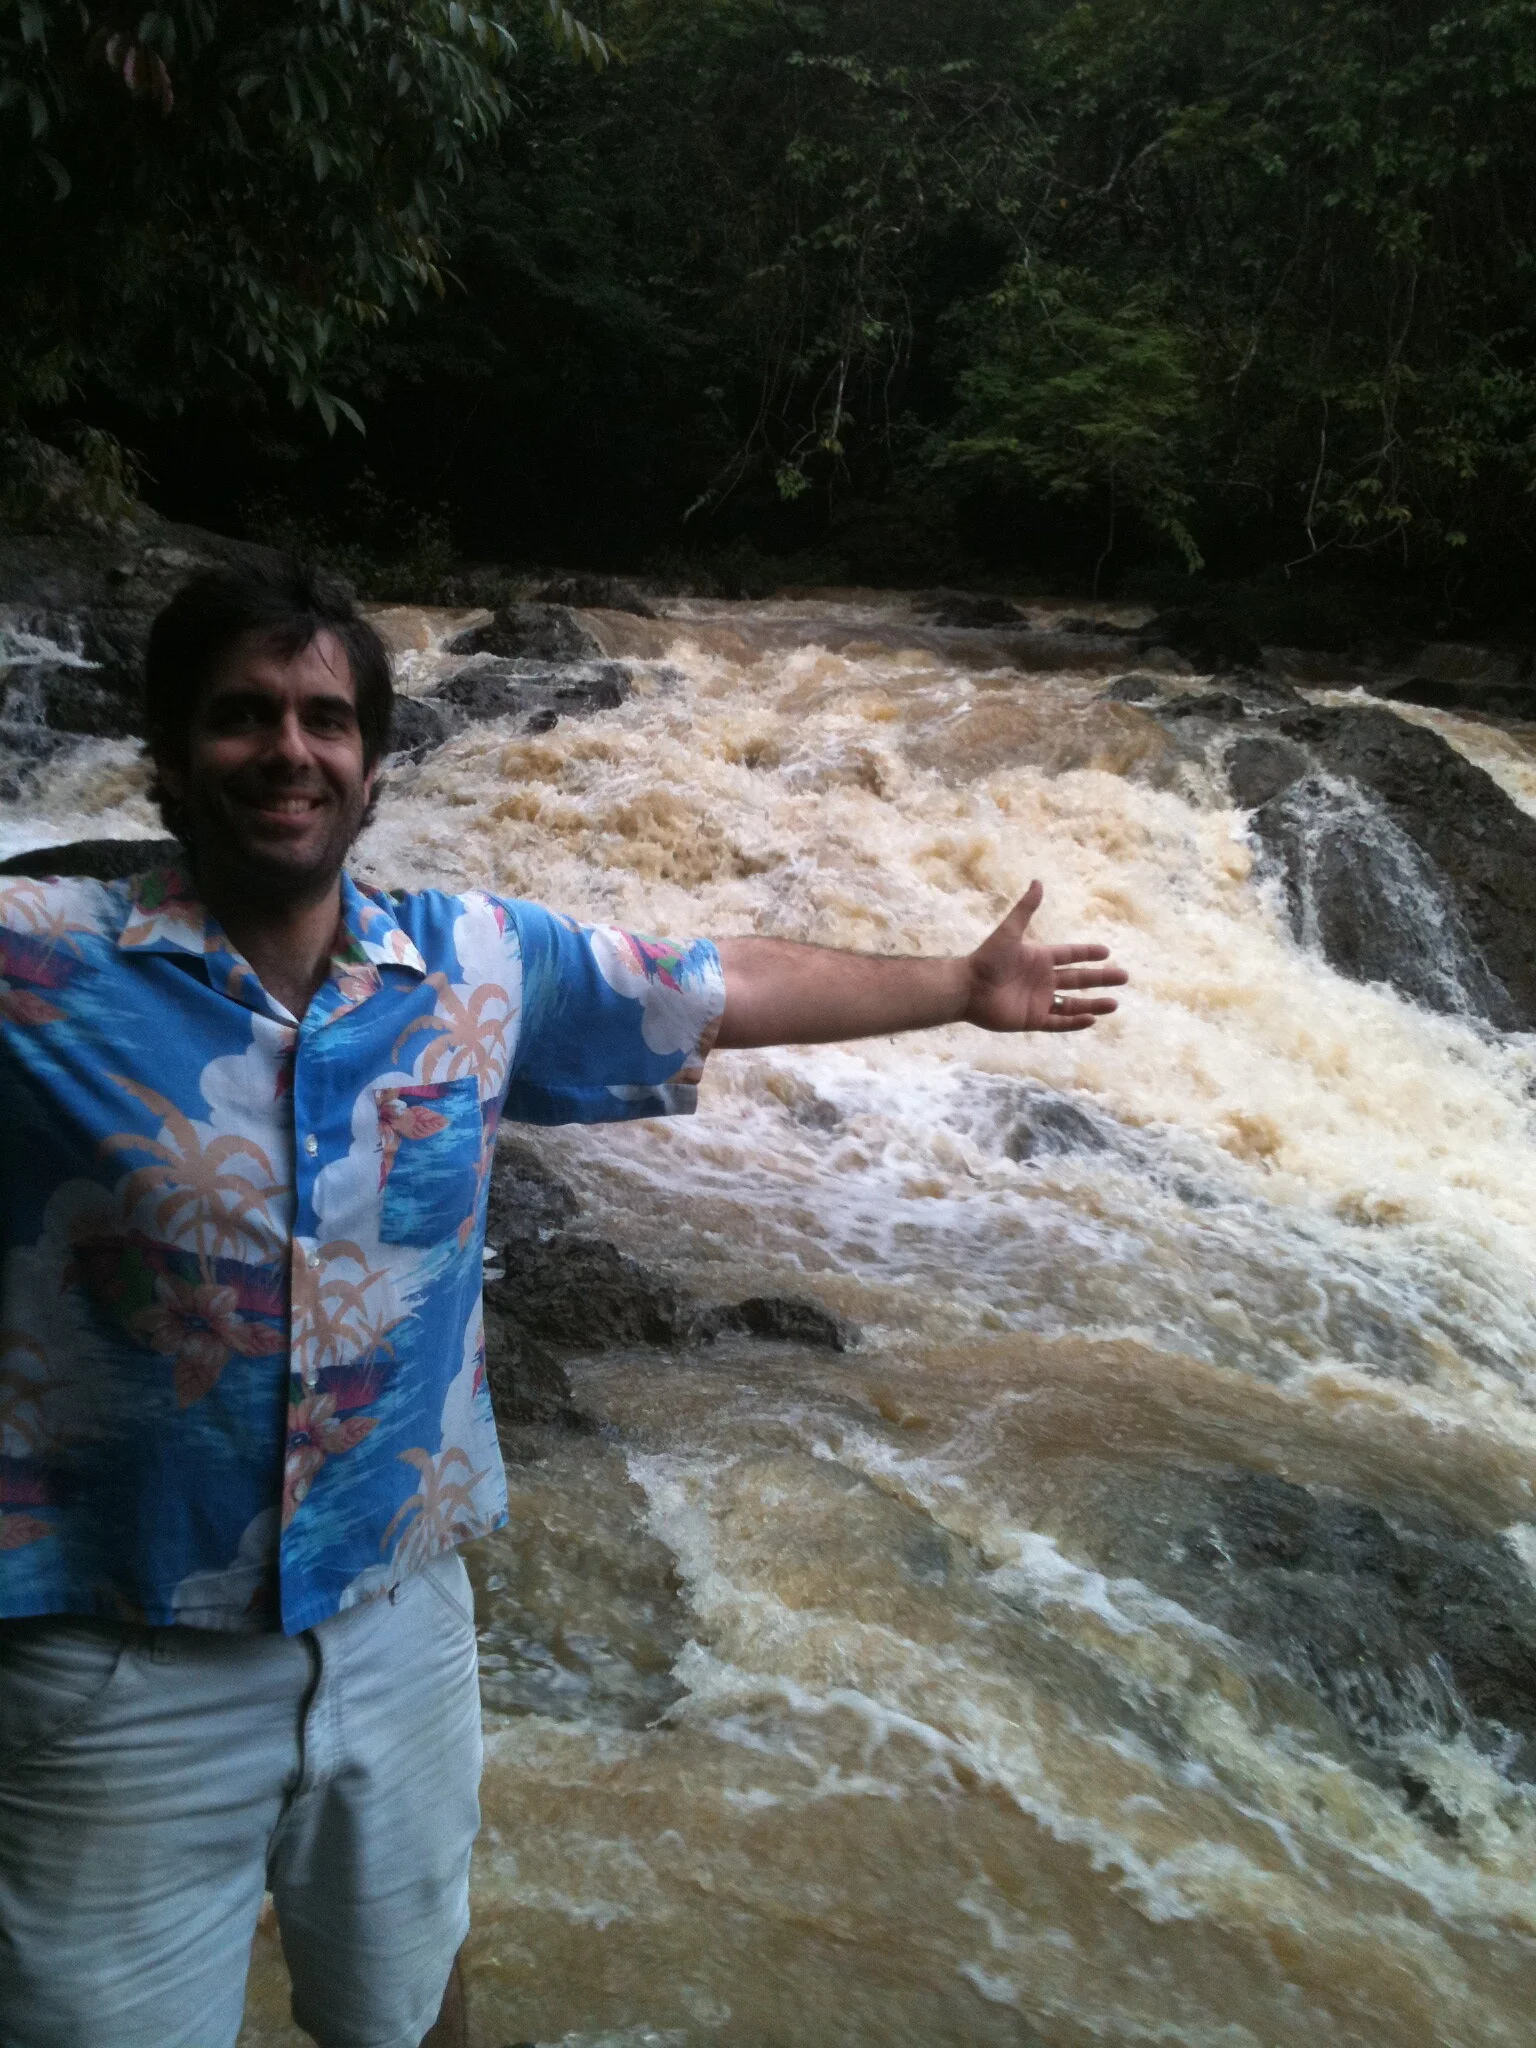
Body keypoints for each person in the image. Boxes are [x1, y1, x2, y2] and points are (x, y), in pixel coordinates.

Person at [0, 560, 1126, 2048]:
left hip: (398, 1618)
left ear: (375, 765)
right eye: (242, 716)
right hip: (118, 1650)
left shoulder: (468, 965)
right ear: (167, 751)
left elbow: (717, 985)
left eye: (326, 719)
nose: (290, 751)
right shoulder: (41, 962)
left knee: (410, 2010)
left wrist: (960, 986)